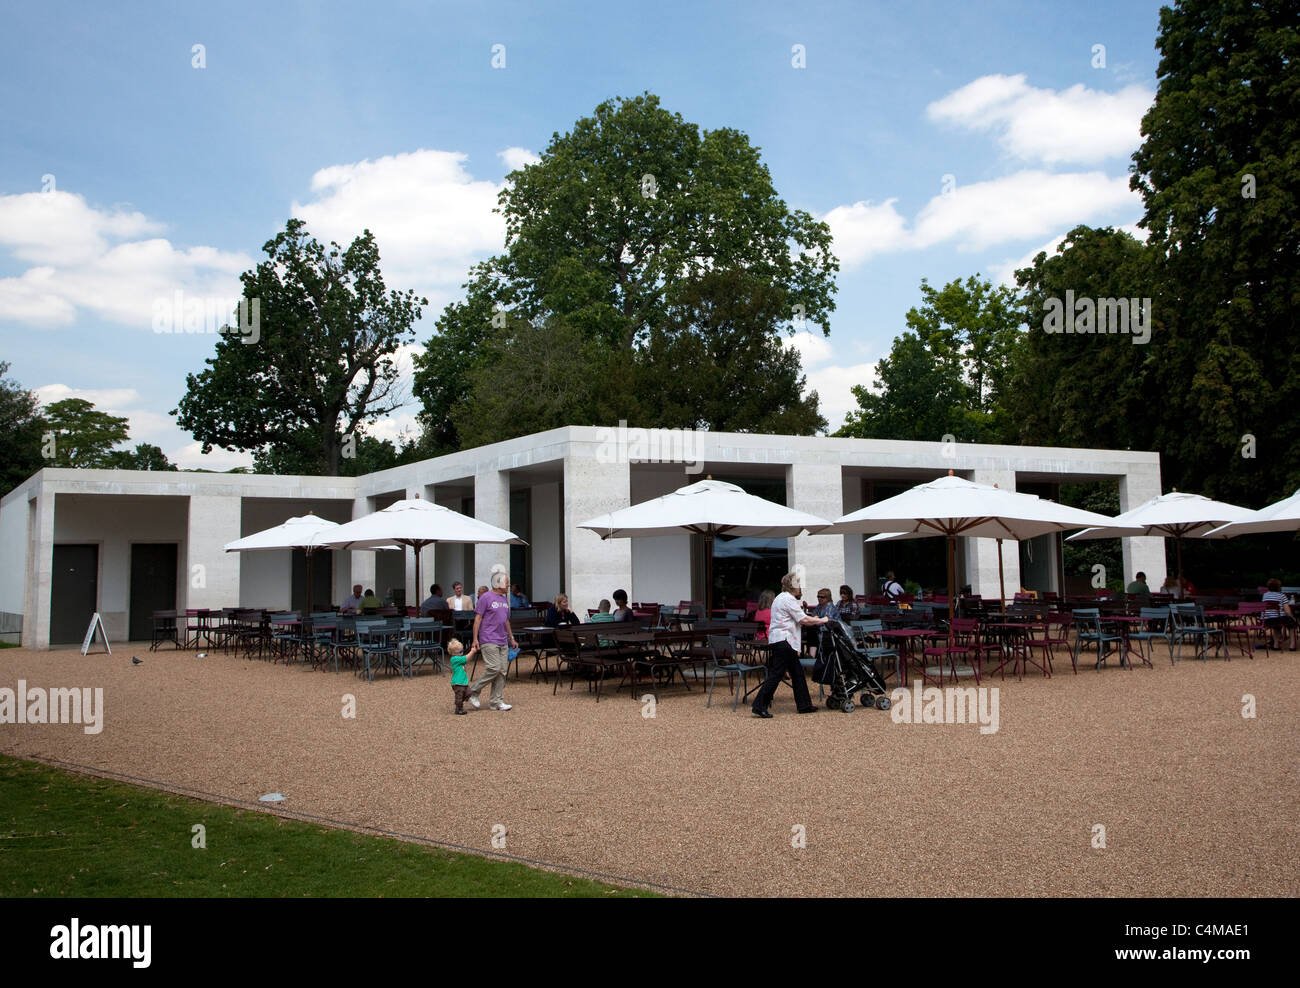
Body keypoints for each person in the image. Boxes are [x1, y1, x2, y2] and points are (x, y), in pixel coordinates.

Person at [752, 571, 828, 718]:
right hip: (784, 641)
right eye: (799, 586)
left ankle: (804, 705)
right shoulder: (788, 600)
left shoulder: (781, 598)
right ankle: (759, 705)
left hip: (782, 641)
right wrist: (822, 620)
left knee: (797, 673)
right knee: (776, 674)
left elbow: (800, 618)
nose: (801, 589)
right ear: (793, 588)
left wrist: (813, 619)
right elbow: (803, 620)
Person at [467, 566, 519, 711]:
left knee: (502, 671)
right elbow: (477, 619)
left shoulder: (504, 599)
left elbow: (506, 620)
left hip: (502, 639)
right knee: (494, 668)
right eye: (506, 582)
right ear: (498, 583)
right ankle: (473, 692)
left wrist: (511, 638)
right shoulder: (486, 597)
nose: (508, 585)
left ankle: (496, 701)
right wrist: (475, 639)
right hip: (488, 638)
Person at [1262, 578, 1297, 651]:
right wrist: (1292, 617)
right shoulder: (1282, 596)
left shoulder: (1265, 595)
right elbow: (1287, 611)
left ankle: (1276, 645)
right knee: (1292, 624)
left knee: (1276, 626)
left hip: (1265, 620)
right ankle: (1292, 645)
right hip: (1277, 619)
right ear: (1279, 587)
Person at [447, 638, 478, 714]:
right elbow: (466, 658)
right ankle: (458, 708)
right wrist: (472, 651)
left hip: (463, 682)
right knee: (459, 695)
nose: (462, 653)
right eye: (460, 652)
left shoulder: (458, 658)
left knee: (469, 693)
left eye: (462, 651)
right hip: (458, 682)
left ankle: (459, 702)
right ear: (453, 653)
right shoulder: (455, 659)